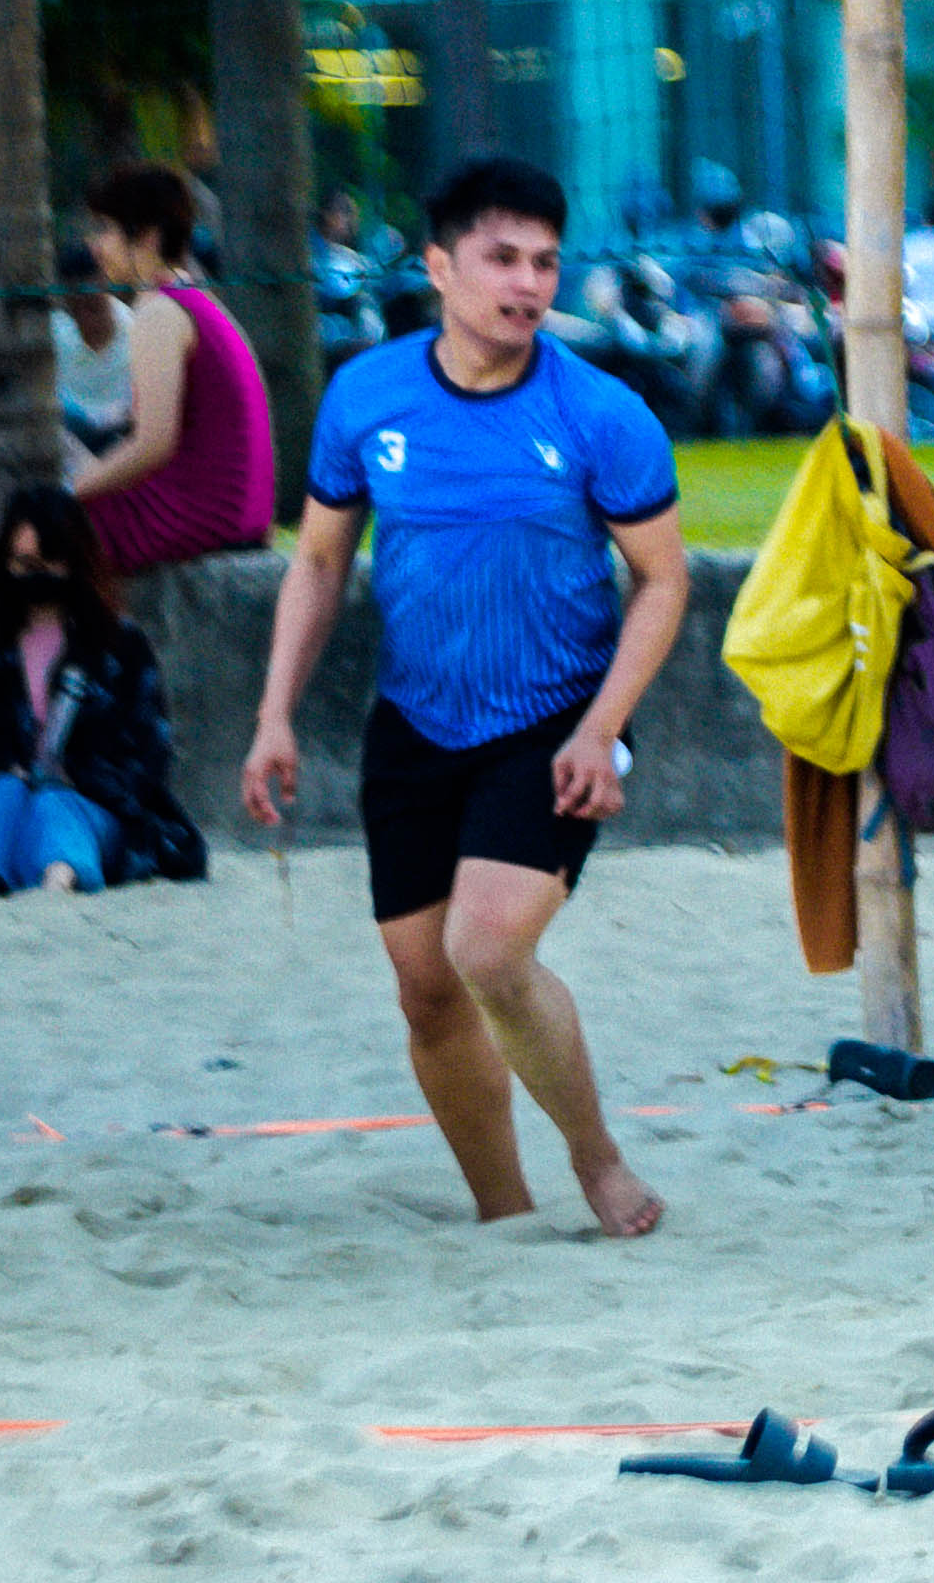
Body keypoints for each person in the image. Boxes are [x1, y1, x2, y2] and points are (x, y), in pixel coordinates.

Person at [243, 155, 682, 1238]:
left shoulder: (602, 413)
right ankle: (504, 1210)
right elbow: (319, 563)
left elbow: (664, 580)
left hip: (555, 720)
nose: (528, 284)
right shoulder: (367, 395)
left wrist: (601, 728)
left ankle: (597, 1160)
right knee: (425, 986)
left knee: (485, 949)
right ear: (440, 265)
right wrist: (273, 715)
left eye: (545, 263)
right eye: (502, 258)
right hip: (416, 721)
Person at [71, 164, 275, 579]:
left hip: (204, 515)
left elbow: (153, 444)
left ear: (145, 235)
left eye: (106, 229)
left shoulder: (159, 312)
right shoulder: (189, 298)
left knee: (38, 532)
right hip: (239, 512)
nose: (96, 246)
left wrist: (69, 493)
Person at [0, 483, 205, 892]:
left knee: (53, 805)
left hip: (92, 806)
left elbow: (149, 755)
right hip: (9, 797)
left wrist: (76, 776)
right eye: (23, 564)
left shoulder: (119, 646)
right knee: (5, 796)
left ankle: (61, 883)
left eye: (48, 563)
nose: (35, 576)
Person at [53, 242, 131, 475]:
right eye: (76, 311)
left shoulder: (136, 333)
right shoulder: (55, 335)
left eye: (94, 307)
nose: (86, 320)